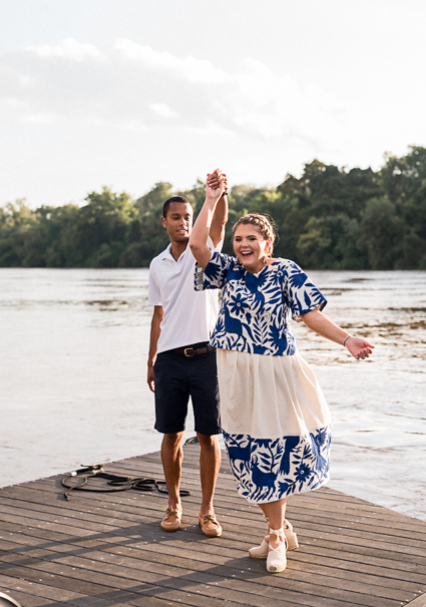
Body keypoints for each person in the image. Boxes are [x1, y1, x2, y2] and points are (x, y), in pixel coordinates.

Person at [189, 171, 375, 574]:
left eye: (251, 239)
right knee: (244, 453)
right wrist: (211, 199)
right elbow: (199, 244)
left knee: (274, 452)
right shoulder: (229, 271)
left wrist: (346, 340)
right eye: (238, 239)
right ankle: (280, 525)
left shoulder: (285, 271)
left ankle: (275, 537)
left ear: (267, 243)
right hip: (234, 371)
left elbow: (311, 315)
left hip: (275, 370)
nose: (243, 245)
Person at [147, 181, 228, 537]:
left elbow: (220, 224)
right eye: (176, 217)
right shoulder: (157, 265)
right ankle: (173, 504)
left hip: (207, 357)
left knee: (208, 435)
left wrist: (219, 194)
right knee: (171, 434)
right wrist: (150, 360)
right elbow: (158, 314)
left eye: (188, 217)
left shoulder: (205, 250)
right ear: (163, 222)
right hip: (169, 360)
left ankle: (207, 510)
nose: (183, 222)